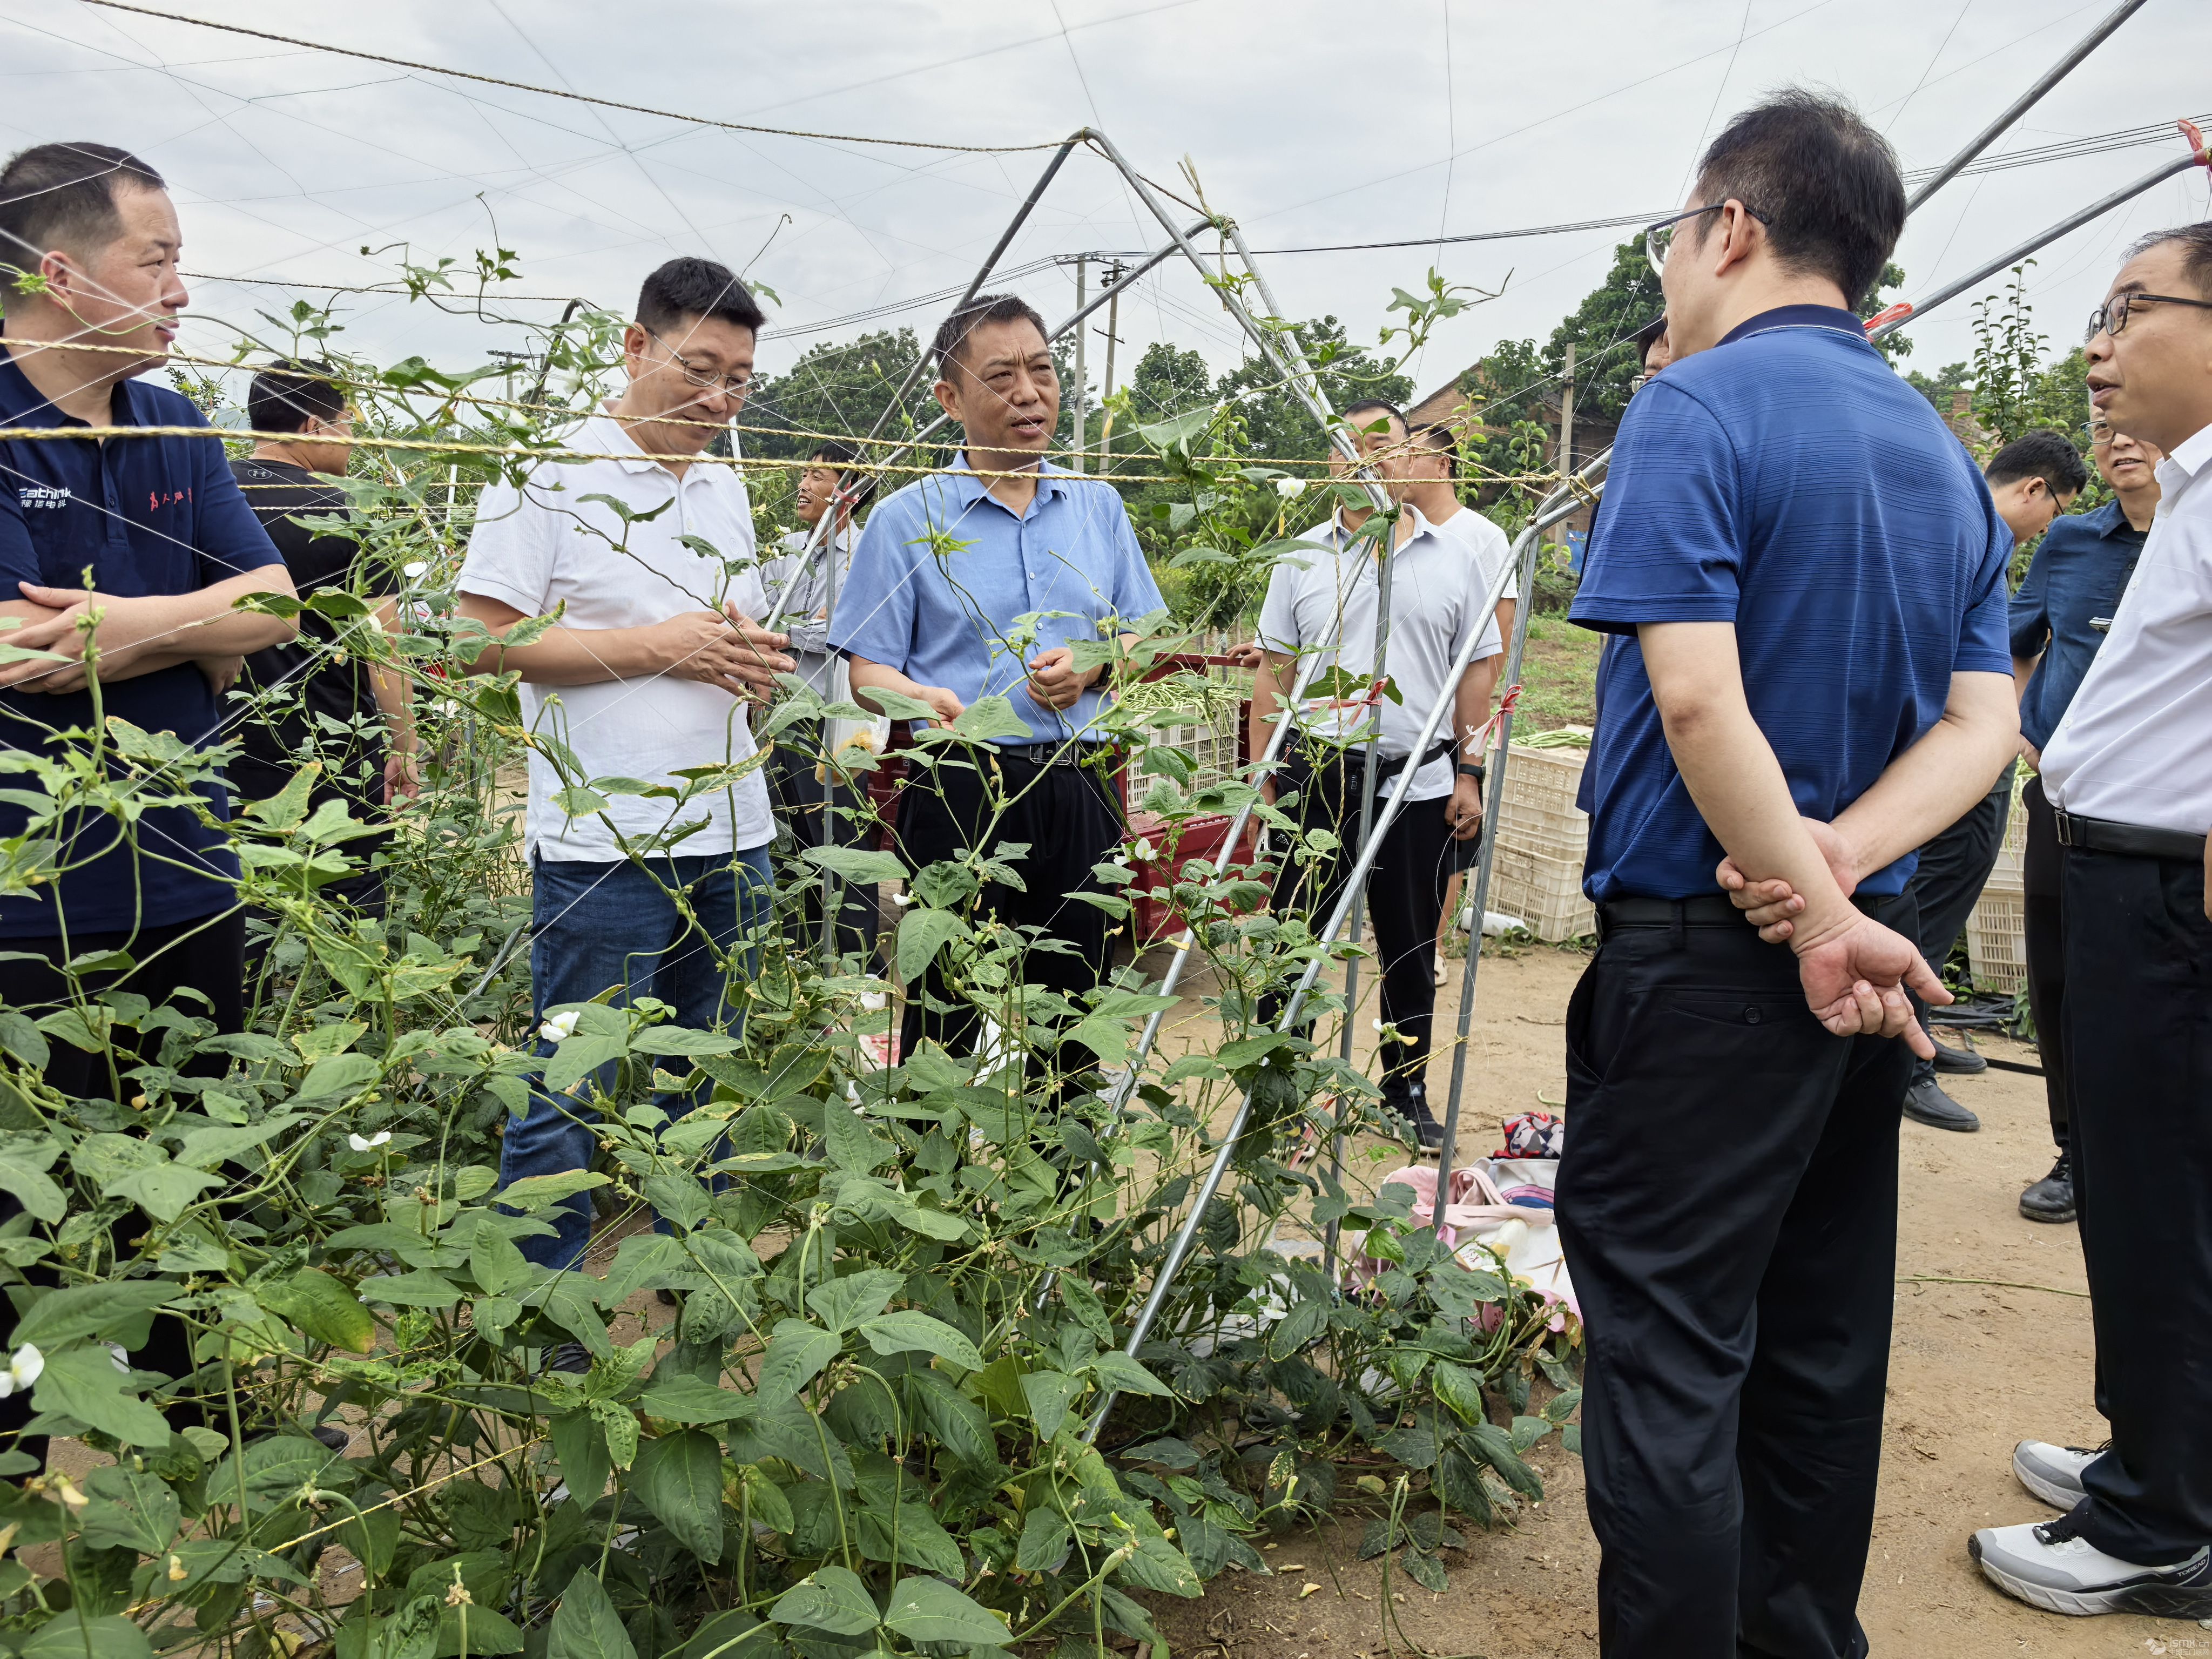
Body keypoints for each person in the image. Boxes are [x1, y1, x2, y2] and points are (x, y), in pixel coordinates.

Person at [1559, 92, 2019, 1656]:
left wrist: (1807, 899)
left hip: (1716, 963)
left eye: (1675, 235)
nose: (1670, 267)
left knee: (1672, 1360)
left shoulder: (1693, 409)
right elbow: (1983, 722)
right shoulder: (1938, 448)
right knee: (1819, 1345)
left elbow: (1697, 699)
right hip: (1863, 971)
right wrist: (1849, 870)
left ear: (1732, 229)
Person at [0, 140, 302, 1464]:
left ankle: (189, 1434)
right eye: (158, 258)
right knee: (23, 1192)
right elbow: (12, 648)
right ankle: (21, 1467)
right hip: (29, 888)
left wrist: (119, 627)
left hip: (187, 868)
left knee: (189, 1167)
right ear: (59, 273)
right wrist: (193, 630)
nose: (183, 288)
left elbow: (276, 604)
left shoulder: (175, 422)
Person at [456, 256, 792, 1279]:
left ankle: (698, 1282)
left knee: (709, 1072)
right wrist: (661, 648)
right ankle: (543, 1306)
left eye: (740, 381)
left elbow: (718, 633)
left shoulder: (725, 484)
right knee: (573, 1079)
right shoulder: (548, 472)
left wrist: (749, 659)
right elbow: (477, 641)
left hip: (734, 827)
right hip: (605, 842)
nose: (719, 400)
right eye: (701, 370)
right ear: (636, 345)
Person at [1966, 226, 2212, 1621]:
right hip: (2125, 879)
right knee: (2135, 1191)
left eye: (2130, 310)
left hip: (2170, 897)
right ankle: (2154, 1456)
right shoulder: (2187, 491)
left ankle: (2159, 1526)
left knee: (2162, 1205)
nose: (2098, 346)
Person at [832, 293, 1164, 1063]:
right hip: (959, 783)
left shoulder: (1099, 506)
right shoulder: (907, 518)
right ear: (951, 398)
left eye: (1042, 370)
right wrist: (920, 697)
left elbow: (1147, 636)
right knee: (945, 1004)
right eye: (1001, 376)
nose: (1029, 392)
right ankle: (934, 1138)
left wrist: (1096, 664)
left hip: (1079, 780)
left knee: (1074, 1005)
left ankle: (1064, 1137)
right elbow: (866, 670)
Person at [1249, 400, 1500, 1145]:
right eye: (1347, 447)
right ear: (1330, 463)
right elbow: (1274, 670)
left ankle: (1403, 1090)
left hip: (1416, 782)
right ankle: (1279, 1092)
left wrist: (1469, 771)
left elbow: (1477, 672)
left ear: (1408, 458)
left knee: (1410, 945)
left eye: (1381, 445)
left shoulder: (1456, 557)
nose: (1363, 459)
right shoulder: (1301, 557)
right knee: (1294, 939)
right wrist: (1263, 775)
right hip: (1317, 778)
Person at [1896, 428, 2087, 1132]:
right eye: (2057, 510)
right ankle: (1901, 1061)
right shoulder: (1964, 528)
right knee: (1931, 894)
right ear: (2035, 489)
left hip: (1968, 746)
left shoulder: (1966, 525)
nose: (2051, 528)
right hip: (1947, 749)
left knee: (1949, 887)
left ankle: (1916, 1031)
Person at [2004, 416, 2160, 1222]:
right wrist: (2024, 730)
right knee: (2061, 980)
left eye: (2137, 428)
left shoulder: (2194, 536)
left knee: (2158, 987)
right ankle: (2076, 1153)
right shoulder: (2068, 544)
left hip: (2171, 818)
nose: (2120, 441)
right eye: (2106, 430)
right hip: (2065, 805)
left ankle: (2155, 1161)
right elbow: (2012, 640)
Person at [230, 359, 418, 923]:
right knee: (346, 910)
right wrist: (404, 747)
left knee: (242, 911)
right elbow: (384, 645)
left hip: (220, 744)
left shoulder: (209, 496)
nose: (354, 438)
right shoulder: (350, 513)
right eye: (349, 422)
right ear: (315, 426)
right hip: (334, 750)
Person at [1399, 421, 1512, 974]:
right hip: (1400, 716)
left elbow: (1496, 642)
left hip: (1450, 722)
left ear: (1444, 465)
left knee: (1448, 839)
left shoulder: (1481, 537)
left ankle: (1434, 948)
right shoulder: (1390, 531)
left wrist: (1470, 718)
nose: (1395, 465)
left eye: (1410, 455)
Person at [759, 441, 878, 959]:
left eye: (817, 475)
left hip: (839, 718)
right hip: (779, 713)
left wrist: (786, 633)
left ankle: (857, 958)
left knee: (841, 832)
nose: (802, 485)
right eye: (803, 473)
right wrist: (798, 629)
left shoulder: (869, 552)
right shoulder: (785, 550)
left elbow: (849, 631)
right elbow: (756, 617)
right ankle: (800, 953)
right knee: (786, 830)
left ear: (848, 492)